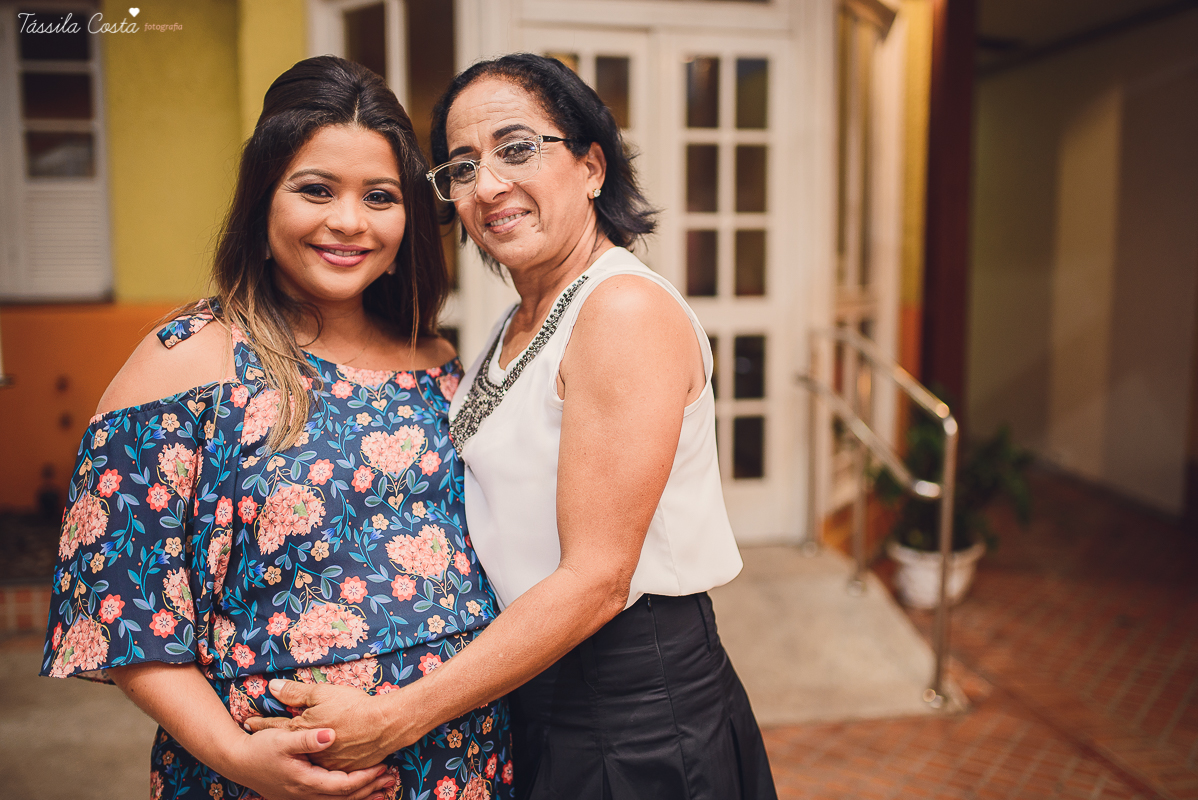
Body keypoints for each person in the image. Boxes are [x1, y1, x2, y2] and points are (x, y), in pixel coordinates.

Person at [250, 53, 778, 800]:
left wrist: (397, 718)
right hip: (530, 689)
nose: (488, 185)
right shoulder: (515, 323)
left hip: (630, 711)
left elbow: (596, 581)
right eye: (461, 168)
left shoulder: (622, 309)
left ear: (593, 165)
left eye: (518, 148)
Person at [41, 55, 513, 800]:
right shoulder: (185, 362)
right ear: (263, 203)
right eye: (316, 189)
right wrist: (238, 757)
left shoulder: (438, 363)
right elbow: (120, 611)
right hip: (265, 780)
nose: (349, 221)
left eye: (380, 196)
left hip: (464, 766)